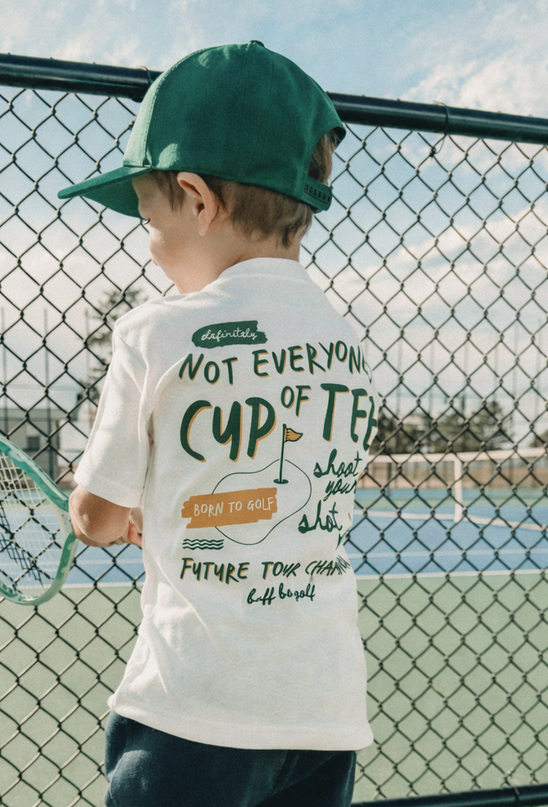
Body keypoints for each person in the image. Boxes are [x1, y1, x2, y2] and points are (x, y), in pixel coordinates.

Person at [59, 41, 377, 807]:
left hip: (192, 710)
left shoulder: (153, 332)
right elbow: (280, 493)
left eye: (146, 215)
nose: (148, 239)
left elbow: (95, 518)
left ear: (198, 201)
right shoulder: (344, 345)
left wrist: (100, 508)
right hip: (323, 710)